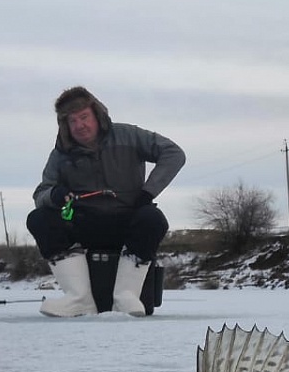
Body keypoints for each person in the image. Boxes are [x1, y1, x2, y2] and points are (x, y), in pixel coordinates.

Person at [26, 86, 186, 317]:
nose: (80, 125)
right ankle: (79, 299)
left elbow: (174, 154)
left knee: (153, 219)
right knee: (39, 218)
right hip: (83, 226)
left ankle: (125, 297)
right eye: (72, 121)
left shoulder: (129, 135)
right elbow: (41, 193)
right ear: (65, 126)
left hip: (127, 221)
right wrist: (55, 195)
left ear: (96, 115)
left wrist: (148, 193)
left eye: (84, 117)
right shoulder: (60, 154)